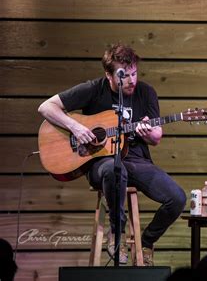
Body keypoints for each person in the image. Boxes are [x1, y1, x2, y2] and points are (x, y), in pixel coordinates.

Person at [38, 44, 186, 265]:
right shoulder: (93, 89)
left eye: (134, 73)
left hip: (136, 161)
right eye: (124, 76)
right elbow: (46, 107)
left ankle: (146, 242)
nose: (131, 80)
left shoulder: (146, 92)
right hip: (100, 162)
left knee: (177, 198)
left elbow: (156, 137)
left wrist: (147, 133)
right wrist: (76, 128)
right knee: (113, 169)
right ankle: (118, 233)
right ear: (108, 74)